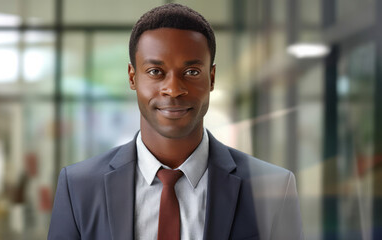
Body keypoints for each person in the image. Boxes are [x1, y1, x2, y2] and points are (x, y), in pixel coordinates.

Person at [48, 3, 302, 240]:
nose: (173, 89)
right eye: (155, 72)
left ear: (211, 78)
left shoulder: (274, 189)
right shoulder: (78, 187)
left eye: (191, 72)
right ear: (132, 77)